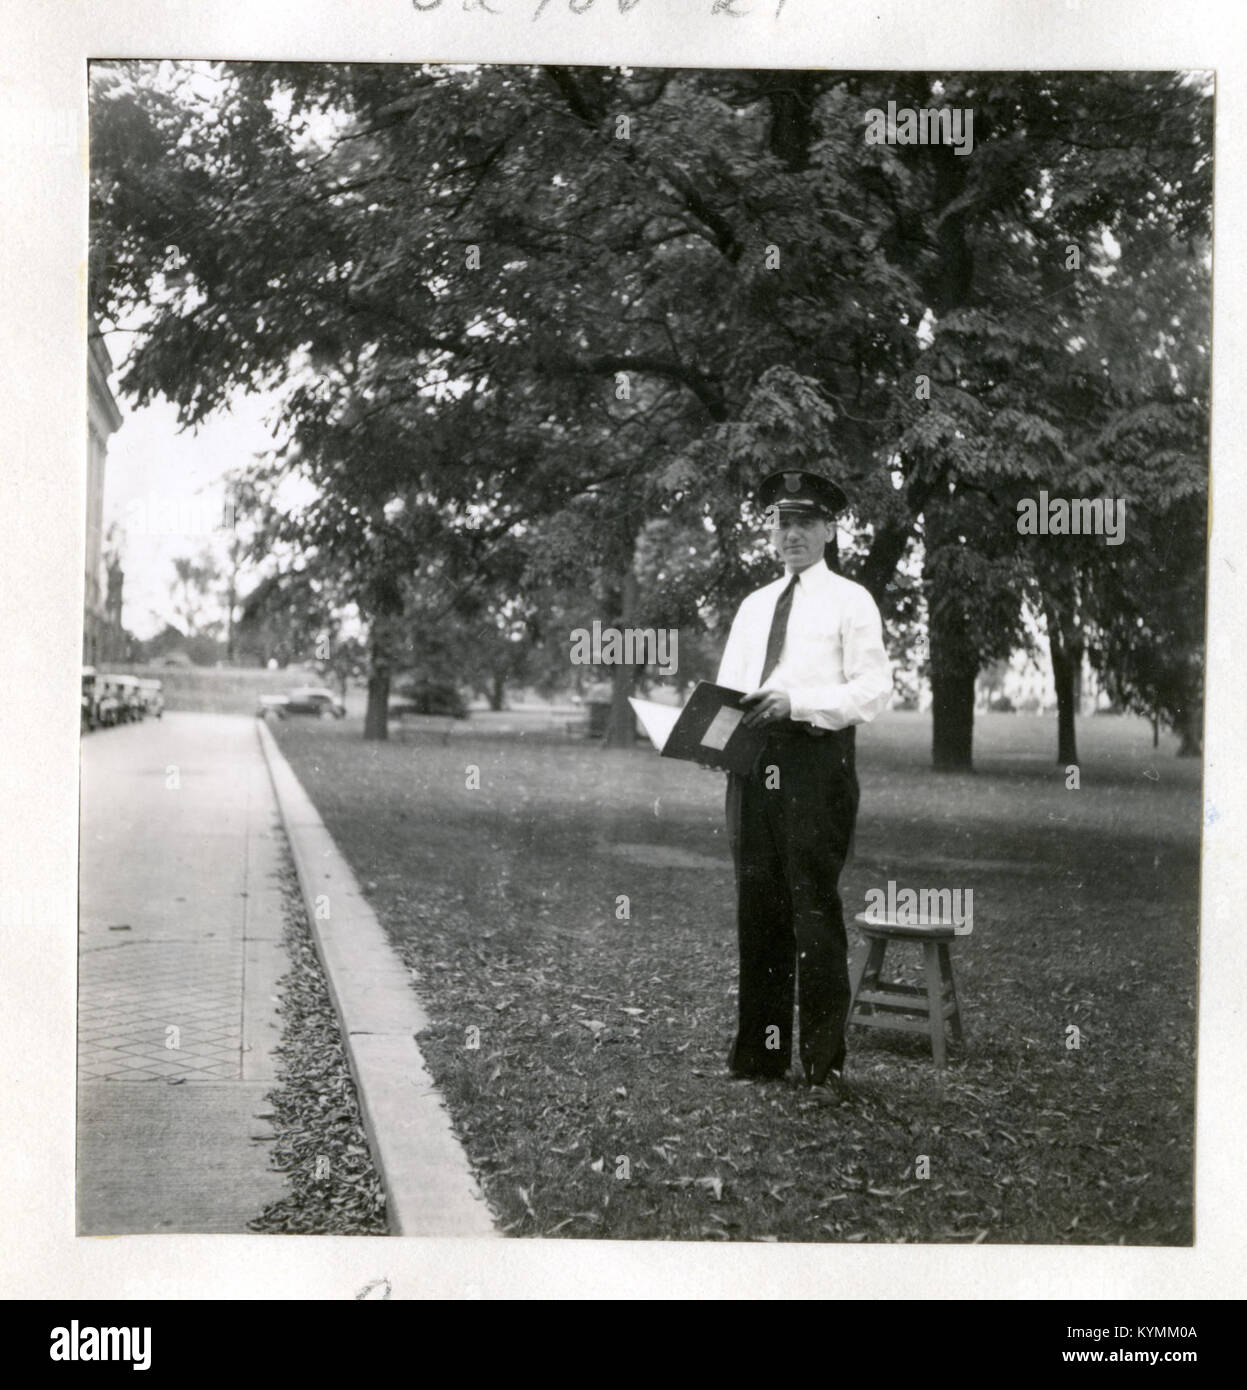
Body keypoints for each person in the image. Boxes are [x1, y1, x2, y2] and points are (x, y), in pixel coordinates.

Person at [716, 468, 893, 1095]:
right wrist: (711, 740)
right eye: (782, 523)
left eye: (804, 523)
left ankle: (823, 1062)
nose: (791, 533)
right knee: (757, 906)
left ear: (829, 530)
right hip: (752, 762)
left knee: (813, 907)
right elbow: (732, 690)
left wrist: (798, 702)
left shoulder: (852, 600)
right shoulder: (753, 605)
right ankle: (760, 1057)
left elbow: (872, 689)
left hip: (817, 763)